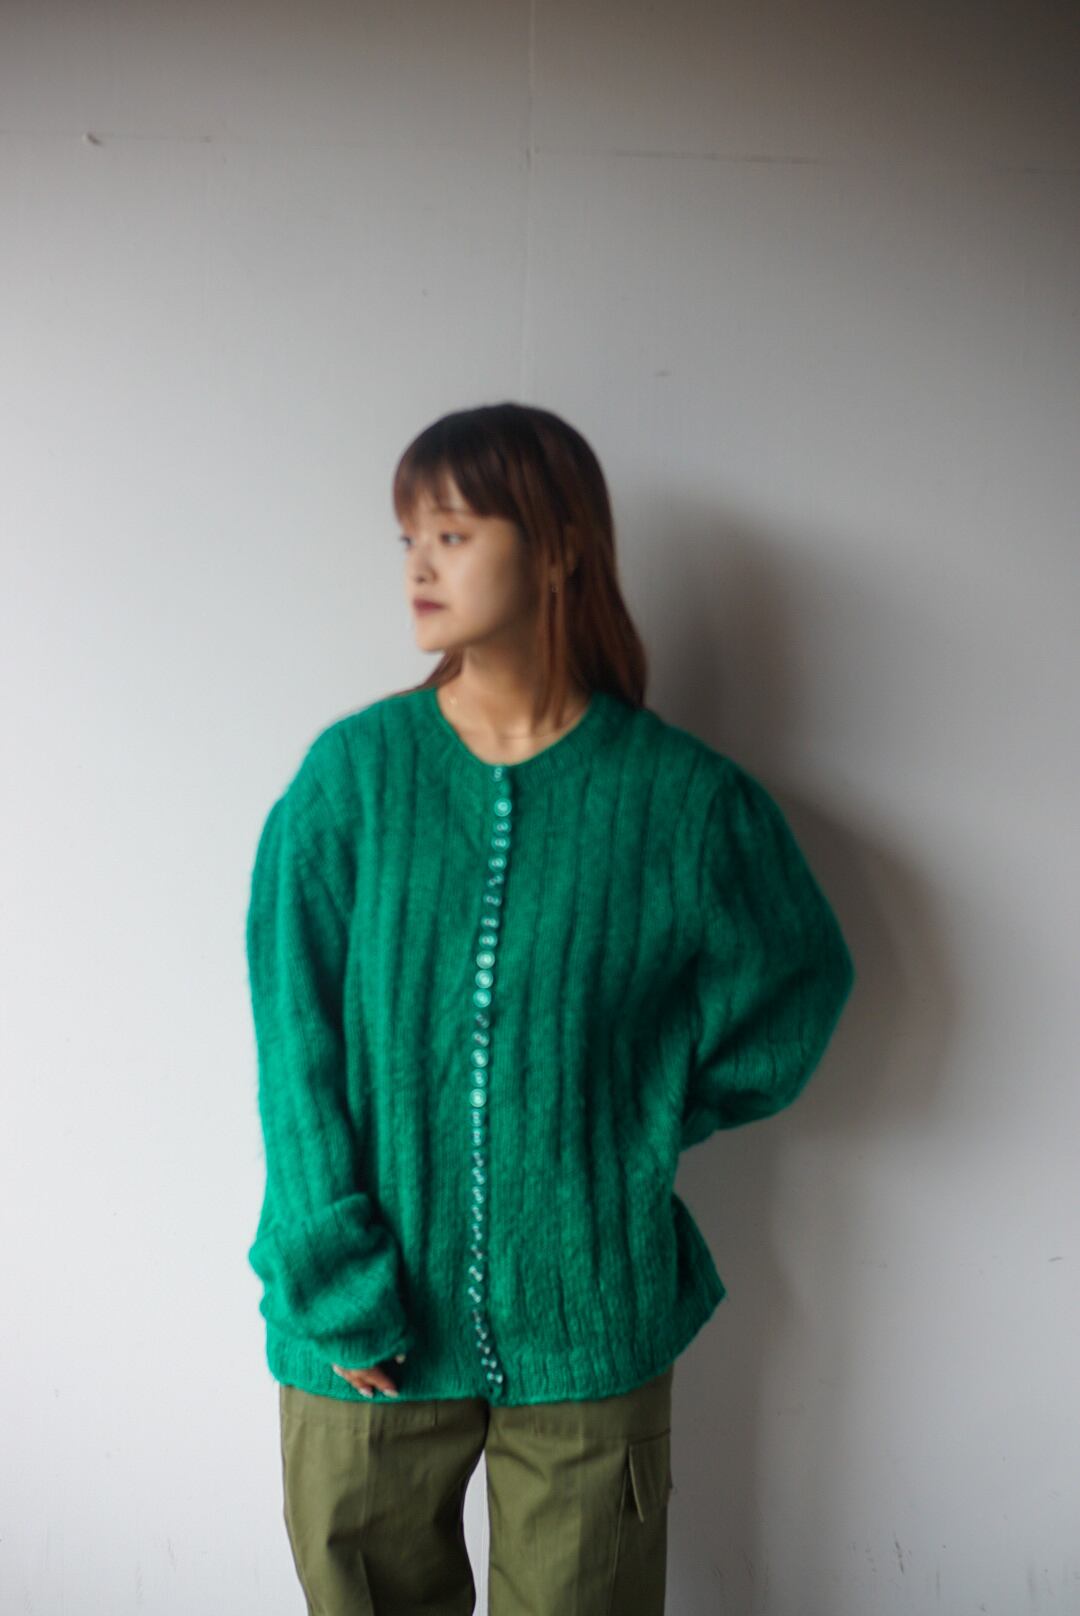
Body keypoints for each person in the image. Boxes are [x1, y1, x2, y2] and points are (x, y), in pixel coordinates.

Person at [244, 400, 856, 1614]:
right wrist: (333, 1278)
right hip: (365, 1328)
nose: (419, 564)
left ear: (560, 547)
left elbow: (796, 982)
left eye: (454, 533)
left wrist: (636, 1107)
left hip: (589, 1313)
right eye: (410, 536)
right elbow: (293, 1049)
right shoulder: (351, 779)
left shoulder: (684, 801)